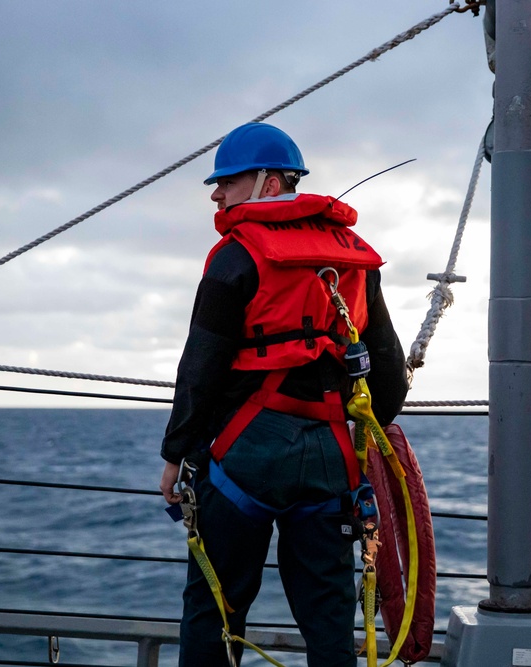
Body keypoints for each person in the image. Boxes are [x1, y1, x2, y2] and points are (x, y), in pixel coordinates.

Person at [159, 122, 409, 666]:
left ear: (270, 183)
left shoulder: (235, 255)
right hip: (328, 456)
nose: (217, 193)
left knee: (215, 610)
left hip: (245, 454)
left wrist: (175, 455)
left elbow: (199, 368)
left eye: (228, 180)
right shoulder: (355, 260)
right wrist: (347, 434)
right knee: (328, 618)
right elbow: (389, 379)